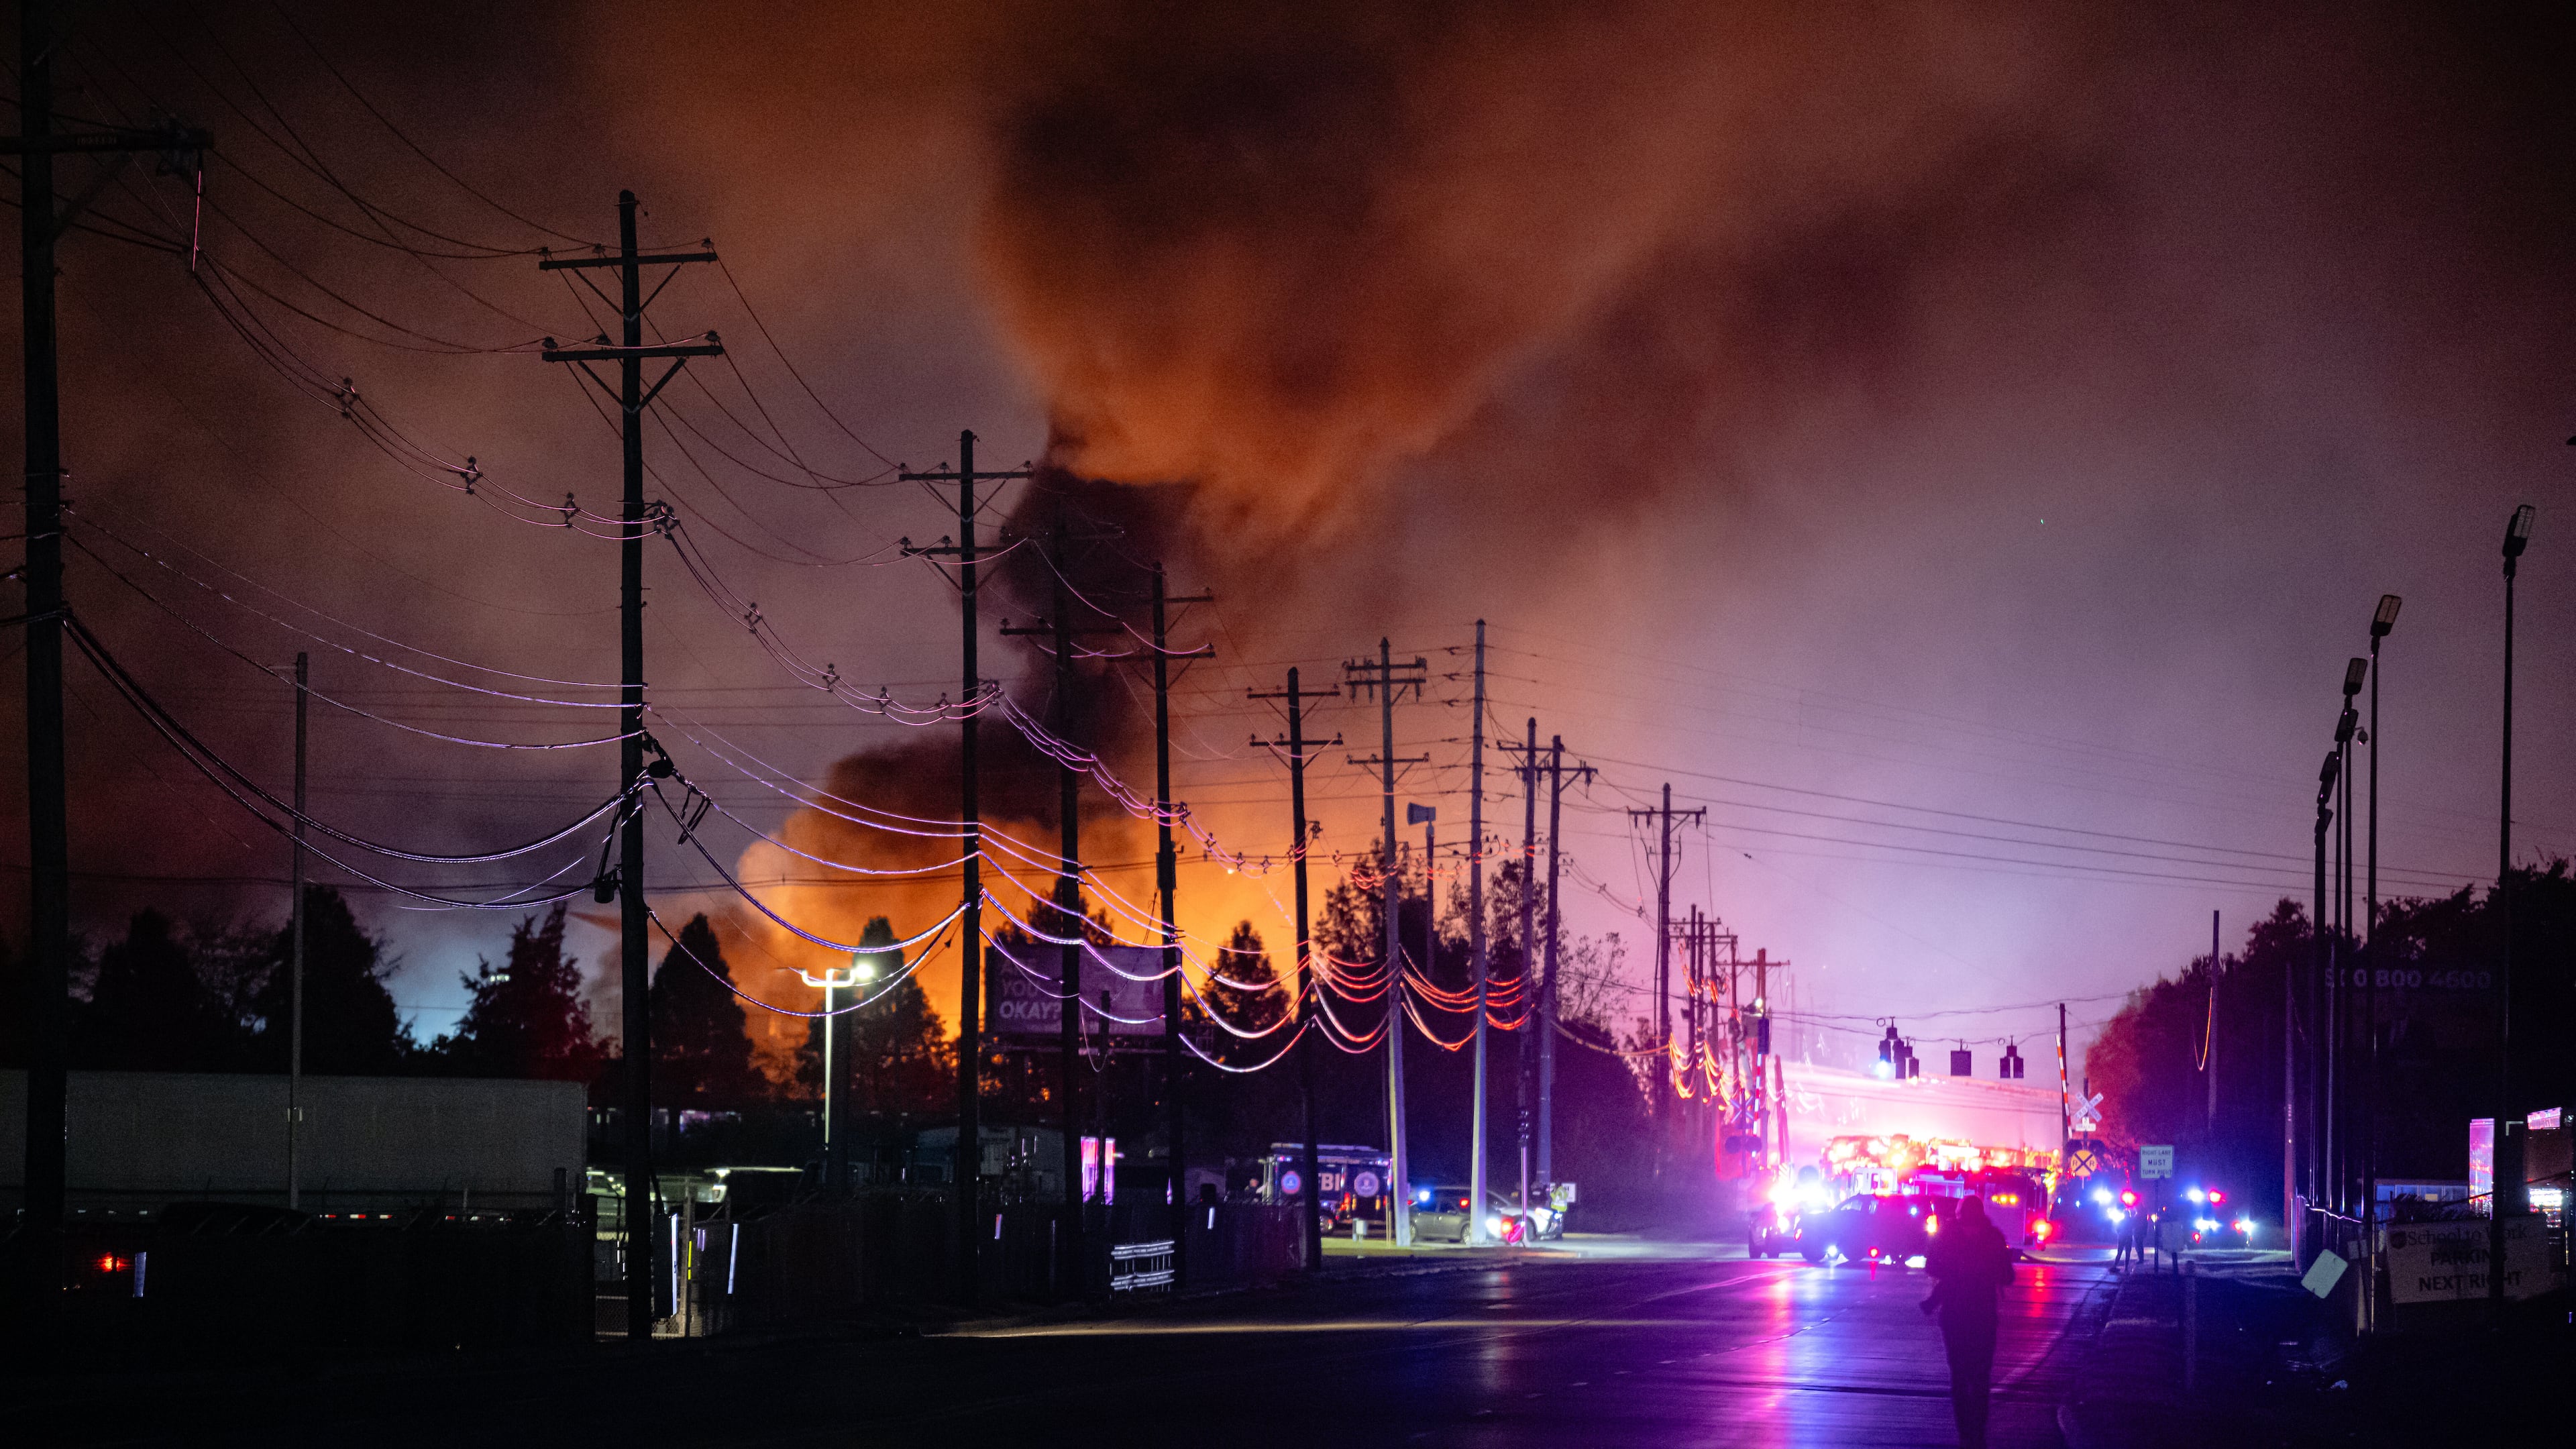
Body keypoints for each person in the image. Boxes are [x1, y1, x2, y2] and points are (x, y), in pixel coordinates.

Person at [1922, 1194, 2015, 1449]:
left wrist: (1956, 1273)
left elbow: (1931, 1267)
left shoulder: (1947, 1235)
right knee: (1981, 1376)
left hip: (1954, 1315)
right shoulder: (1993, 1237)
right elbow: (2008, 1276)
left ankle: (1965, 1434)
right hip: (1984, 1315)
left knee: (1960, 1377)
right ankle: (1979, 1434)